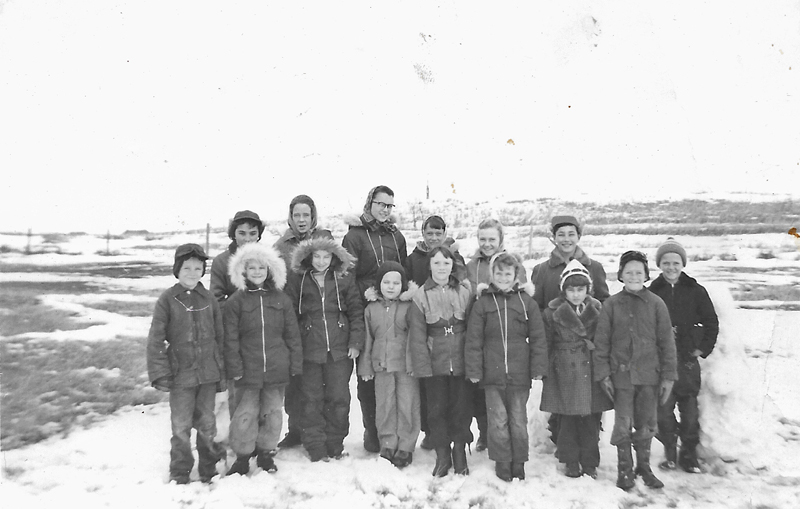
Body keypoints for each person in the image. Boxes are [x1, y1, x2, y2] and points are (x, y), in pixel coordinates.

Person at [593, 251, 677, 491]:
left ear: (646, 275)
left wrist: (668, 376)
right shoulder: (611, 305)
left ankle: (644, 467)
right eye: (628, 272)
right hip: (621, 379)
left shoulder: (656, 304)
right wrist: (604, 374)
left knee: (647, 423)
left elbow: (667, 343)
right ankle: (625, 469)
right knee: (623, 423)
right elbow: (602, 342)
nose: (634, 276)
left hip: (649, 376)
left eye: (638, 272)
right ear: (621, 275)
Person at [147, 244, 226, 484]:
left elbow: (220, 337)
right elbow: (156, 338)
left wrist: (222, 371)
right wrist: (161, 372)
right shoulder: (167, 299)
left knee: (207, 423)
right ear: (177, 270)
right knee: (180, 425)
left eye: (197, 268)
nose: (192, 273)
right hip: (181, 375)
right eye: (187, 268)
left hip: (208, 374)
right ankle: (180, 470)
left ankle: (208, 468)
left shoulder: (209, 298)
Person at [465, 253, 547, 482]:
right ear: (492, 274)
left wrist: (538, 367)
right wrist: (474, 370)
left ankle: (518, 461)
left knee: (518, 419)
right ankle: (502, 460)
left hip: (519, 374)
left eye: (508, 273)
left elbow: (538, 337)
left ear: (516, 275)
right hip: (492, 374)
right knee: (498, 420)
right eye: (498, 273)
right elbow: (474, 340)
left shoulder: (526, 302)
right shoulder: (482, 303)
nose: (503, 277)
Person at [530, 215, 609, 449]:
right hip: (559, 347)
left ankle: (588, 445)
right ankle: (564, 447)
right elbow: (536, 307)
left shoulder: (594, 267)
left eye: (571, 234)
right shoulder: (542, 270)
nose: (566, 239)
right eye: (561, 234)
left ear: (579, 236)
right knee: (561, 402)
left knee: (590, 403)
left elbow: (604, 305)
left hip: (586, 351)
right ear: (553, 238)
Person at [223, 243, 303, 476]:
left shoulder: (281, 299)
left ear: (270, 270)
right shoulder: (236, 301)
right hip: (247, 370)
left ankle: (266, 452)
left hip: (276, 369)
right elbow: (230, 338)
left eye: (262, 268)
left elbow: (292, 334)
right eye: (252, 268)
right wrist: (234, 366)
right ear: (243, 271)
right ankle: (242, 455)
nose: (257, 272)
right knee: (245, 414)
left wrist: (295, 362)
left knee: (273, 412)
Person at [285, 234, 365, 462]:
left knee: (338, 397)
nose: (321, 261)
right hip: (310, 348)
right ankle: (315, 445)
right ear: (309, 257)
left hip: (339, 349)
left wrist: (355, 342)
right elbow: (290, 315)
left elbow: (356, 311)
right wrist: (296, 346)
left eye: (326, 256)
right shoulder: (298, 280)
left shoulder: (343, 278)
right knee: (311, 399)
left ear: (334, 257)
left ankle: (335, 443)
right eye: (317, 256)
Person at [342, 185, 407, 453]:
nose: (385, 210)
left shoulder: (396, 236)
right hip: (365, 307)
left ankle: (395, 431)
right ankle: (373, 429)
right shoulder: (355, 236)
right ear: (370, 203)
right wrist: (359, 303)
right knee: (368, 373)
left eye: (389, 205)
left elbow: (403, 271)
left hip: (392, 308)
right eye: (381, 204)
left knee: (393, 373)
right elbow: (347, 276)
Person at [649, 238, 719, 473]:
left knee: (689, 412)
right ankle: (670, 452)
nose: (671, 267)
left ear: (683, 264)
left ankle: (689, 455)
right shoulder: (653, 292)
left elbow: (711, 322)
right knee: (663, 411)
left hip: (688, 362)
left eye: (675, 262)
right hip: (662, 362)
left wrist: (703, 348)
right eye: (666, 262)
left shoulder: (695, 291)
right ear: (660, 265)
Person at [540, 260, 613, 479]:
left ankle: (590, 462)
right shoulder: (552, 312)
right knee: (568, 419)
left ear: (588, 289)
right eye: (571, 290)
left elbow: (605, 339)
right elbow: (546, 343)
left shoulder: (598, 309)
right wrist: (545, 368)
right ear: (563, 290)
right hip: (564, 369)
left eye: (580, 289)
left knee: (590, 419)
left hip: (590, 368)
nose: (576, 294)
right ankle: (570, 460)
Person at [408, 246, 474, 477]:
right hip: (435, 363)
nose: (441, 268)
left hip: (461, 362)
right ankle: (442, 454)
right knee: (436, 411)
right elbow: (417, 336)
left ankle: (460, 451)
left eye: (446, 263)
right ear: (429, 266)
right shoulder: (420, 296)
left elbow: (473, 330)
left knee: (461, 409)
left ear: (452, 265)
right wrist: (423, 367)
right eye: (436, 263)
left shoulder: (464, 292)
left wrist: (471, 362)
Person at [273, 195, 331, 449]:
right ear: (290, 217)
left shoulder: (323, 239)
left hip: (320, 318)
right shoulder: (281, 247)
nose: (301, 220)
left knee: (321, 382)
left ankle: (322, 430)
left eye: (306, 215)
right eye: (297, 215)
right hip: (293, 319)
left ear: (313, 216)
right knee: (297, 380)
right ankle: (296, 429)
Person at [404, 214, 465, 449]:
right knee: (432, 398)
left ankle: (457, 444)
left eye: (438, 233)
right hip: (428, 326)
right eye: (429, 233)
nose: (433, 237)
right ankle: (433, 437)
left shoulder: (455, 260)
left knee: (457, 400)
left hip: (452, 336)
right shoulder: (414, 260)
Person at [464, 218, 525, 452]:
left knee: (505, 393)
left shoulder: (512, 263)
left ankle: (508, 436)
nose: (487, 244)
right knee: (481, 389)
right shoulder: (472, 266)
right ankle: (485, 432)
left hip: (505, 335)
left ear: (501, 239)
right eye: (483, 239)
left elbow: (521, 297)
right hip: (480, 330)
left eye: (492, 239)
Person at [358, 262, 420, 468]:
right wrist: (365, 366)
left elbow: (415, 337)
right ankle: (387, 443)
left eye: (396, 283)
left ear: (403, 285)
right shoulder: (371, 309)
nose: (391, 287)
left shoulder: (410, 307)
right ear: (379, 284)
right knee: (385, 406)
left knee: (407, 405)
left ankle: (406, 445)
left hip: (405, 366)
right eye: (386, 282)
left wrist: (414, 364)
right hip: (382, 365)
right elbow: (367, 339)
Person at [210, 210, 265, 307]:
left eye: (252, 233)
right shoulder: (221, 262)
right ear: (234, 234)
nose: (247, 239)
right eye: (242, 233)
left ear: (258, 235)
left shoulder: (268, 260)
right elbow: (216, 301)